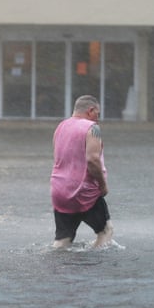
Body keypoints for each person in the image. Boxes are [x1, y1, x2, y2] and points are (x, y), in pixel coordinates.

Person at [49, 95, 113, 249]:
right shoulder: (92, 128)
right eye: (98, 113)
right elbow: (92, 160)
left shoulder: (61, 126)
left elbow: (60, 157)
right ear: (90, 110)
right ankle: (96, 265)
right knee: (106, 231)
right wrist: (103, 186)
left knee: (63, 240)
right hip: (84, 192)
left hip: (59, 191)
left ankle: (57, 266)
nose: (98, 118)